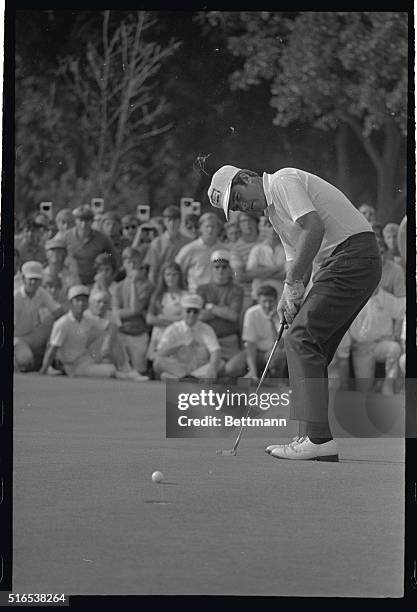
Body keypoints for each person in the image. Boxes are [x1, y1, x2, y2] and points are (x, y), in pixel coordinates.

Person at [208, 165, 381, 461]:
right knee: (311, 345)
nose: (241, 207)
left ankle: (318, 439)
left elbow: (314, 229)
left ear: (246, 178)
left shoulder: (283, 180)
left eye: (237, 198)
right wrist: (289, 298)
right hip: (343, 264)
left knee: (301, 339)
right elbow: (295, 254)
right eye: (235, 207)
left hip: (351, 258)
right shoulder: (273, 212)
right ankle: (309, 436)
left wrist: (293, 284)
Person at [40, 285, 138, 379]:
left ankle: (126, 369)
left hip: (87, 358)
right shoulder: (63, 323)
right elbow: (53, 348)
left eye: (83, 300)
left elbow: (112, 326)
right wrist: (44, 370)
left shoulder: (87, 318)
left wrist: (107, 345)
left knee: (111, 337)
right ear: (70, 303)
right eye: (77, 300)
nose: (81, 304)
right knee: (110, 369)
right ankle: (123, 372)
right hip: (73, 366)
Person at [348, 286, 405, 395]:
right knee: (363, 392)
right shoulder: (353, 297)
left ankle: (387, 387)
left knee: (394, 349)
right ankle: (376, 387)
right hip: (361, 349)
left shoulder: (386, 298)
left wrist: (396, 334)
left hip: (381, 345)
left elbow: (402, 310)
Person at [196, 250, 244, 375]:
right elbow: (199, 316)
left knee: (231, 370)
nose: (220, 270)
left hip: (229, 340)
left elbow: (233, 316)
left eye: (224, 267)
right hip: (207, 341)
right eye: (216, 267)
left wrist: (211, 308)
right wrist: (223, 309)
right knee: (208, 371)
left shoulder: (237, 290)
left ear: (229, 269)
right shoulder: (202, 289)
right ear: (211, 269)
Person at [153, 293, 222, 380]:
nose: (192, 314)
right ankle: (186, 378)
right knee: (158, 362)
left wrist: (212, 369)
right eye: (188, 310)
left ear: (200, 312)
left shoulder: (206, 329)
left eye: (195, 311)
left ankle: (190, 380)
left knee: (219, 364)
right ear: (182, 310)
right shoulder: (173, 329)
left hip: (200, 370)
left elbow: (215, 351)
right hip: (178, 370)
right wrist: (181, 344)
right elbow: (160, 353)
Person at [14, 261, 65, 372]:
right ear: (23, 278)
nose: (33, 282)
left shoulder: (41, 292)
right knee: (25, 363)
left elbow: (58, 312)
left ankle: (52, 362)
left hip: (33, 336)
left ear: (41, 281)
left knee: (55, 320)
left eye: (37, 279)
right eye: (30, 279)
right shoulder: (15, 297)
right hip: (16, 339)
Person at [112, 247, 154, 375]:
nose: (132, 265)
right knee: (121, 370)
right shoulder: (117, 287)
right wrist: (131, 311)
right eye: (129, 262)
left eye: (136, 262)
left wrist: (133, 283)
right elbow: (115, 313)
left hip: (139, 333)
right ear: (124, 264)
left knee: (139, 372)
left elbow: (136, 309)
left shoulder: (147, 285)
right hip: (121, 333)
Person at [236, 285, 287, 380]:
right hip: (256, 351)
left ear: (276, 300)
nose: (267, 305)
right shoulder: (251, 313)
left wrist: (271, 321)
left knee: (277, 357)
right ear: (258, 301)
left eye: (270, 301)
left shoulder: (282, 314)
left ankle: (276, 385)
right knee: (231, 368)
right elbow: (250, 344)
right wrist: (252, 370)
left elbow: (280, 345)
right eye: (264, 301)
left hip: (274, 352)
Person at [62, 205, 118, 286]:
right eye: (81, 220)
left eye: (87, 221)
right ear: (76, 221)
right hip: (73, 281)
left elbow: (113, 256)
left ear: (92, 221)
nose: (84, 224)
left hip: (95, 282)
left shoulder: (102, 238)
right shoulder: (67, 237)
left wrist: (104, 257)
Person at [146, 262, 187, 362]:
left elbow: (185, 318)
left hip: (178, 336)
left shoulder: (186, 295)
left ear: (179, 276)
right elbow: (150, 319)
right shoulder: (158, 296)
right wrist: (173, 321)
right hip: (159, 335)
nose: (171, 278)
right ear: (163, 276)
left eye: (174, 274)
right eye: (168, 274)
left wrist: (162, 318)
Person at [175, 212, 225, 292]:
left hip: (219, 296)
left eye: (213, 227)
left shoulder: (225, 249)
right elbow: (176, 272)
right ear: (200, 228)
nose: (210, 230)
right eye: (207, 226)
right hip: (195, 296)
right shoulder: (189, 249)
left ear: (218, 229)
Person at [145, 205, 190, 285]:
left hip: (182, 282)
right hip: (162, 284)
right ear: (165, 222)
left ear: (180, 221)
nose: (172, 224)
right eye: (169, 220)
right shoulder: (157, 243)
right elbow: (152, 270)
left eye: (175, 220)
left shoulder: (187, 242)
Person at [246, 215, 287, 302]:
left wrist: (262, 270)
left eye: (274, 225)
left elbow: (286, 275)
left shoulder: (287, 249)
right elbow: (251, 273)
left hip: (281, 298)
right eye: (269, 226)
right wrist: (277, 268)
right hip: (259, 298)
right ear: (264, 229)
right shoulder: (257, 249)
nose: (272, 230)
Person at [229, 212, 262, 312]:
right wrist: (268, 271)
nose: (247, 224)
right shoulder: (235, 248)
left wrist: (251, 273)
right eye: (243, 221)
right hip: (246, 295)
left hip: (270, 291)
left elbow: (283, 271)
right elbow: (238, 276)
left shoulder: (267, 242)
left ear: (256, 222)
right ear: (239, 225)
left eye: (250, 220)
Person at [376, 233, 406, 298]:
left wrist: (379, 293)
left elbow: (401, 300)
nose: (379, 257)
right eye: (375, 253)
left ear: (386, 252)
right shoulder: (363, 270)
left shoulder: (397, 270)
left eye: (381, 252)